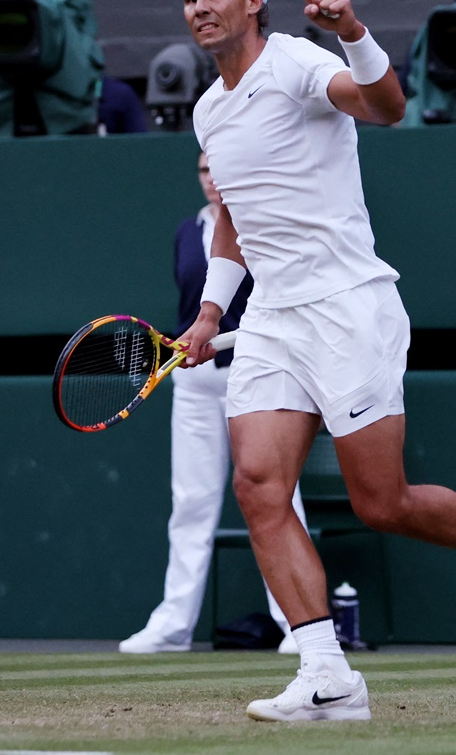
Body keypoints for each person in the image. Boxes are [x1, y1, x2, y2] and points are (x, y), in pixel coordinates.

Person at [177, 0, 456, 722]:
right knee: (257, 485)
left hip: (350, 305)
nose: (202, 9)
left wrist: (352, 29)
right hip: (273, 319)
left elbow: (385, 107)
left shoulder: (296, 63)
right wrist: (214, 310)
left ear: (255, 2)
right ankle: (326, 673)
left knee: (381, 502)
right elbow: (233, 223)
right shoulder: (208, 111)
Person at [119, 150, 308, 656]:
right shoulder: (186, 231)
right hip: (196, 386)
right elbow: (191, 308)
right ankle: (173, 625)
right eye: (203, 171)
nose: (211, 180)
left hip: (260, 374)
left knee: (279, 495)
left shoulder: (265, 226)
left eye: (217, 169)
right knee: (191, 503)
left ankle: (299, 623)